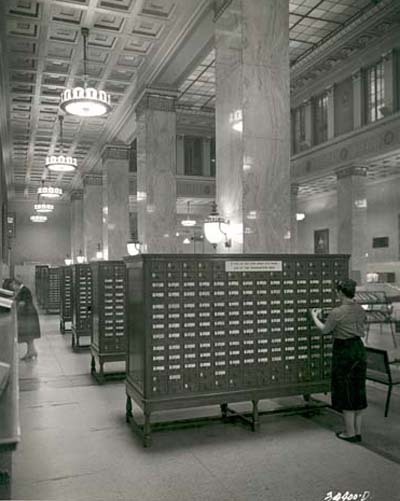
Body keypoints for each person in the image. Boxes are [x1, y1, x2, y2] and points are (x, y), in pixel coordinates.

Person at [310, 278, 367, 443]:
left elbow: (324, 330)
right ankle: (357, 431)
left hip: (344, 351)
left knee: (346, 391)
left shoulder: (337, 312)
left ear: (341, 292)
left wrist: (315, 316)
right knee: (358, 390)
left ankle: (350, 433)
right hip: (359, 350)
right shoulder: (360, 309)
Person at [13, 280, 40, 361]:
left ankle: (31, 352)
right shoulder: (23, 289)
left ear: (17, 284)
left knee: (29, 335)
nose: (12, 287)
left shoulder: (24, 290)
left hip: (29, 314)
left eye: (13, 285)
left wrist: (14, 303)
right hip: (29, 314)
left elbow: (22, 303)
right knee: (29, 336)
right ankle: (31, 352)